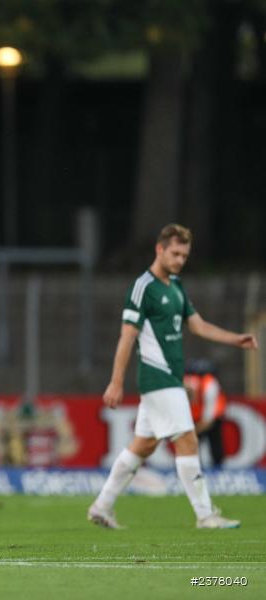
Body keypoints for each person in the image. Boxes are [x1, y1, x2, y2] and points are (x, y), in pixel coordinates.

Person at [88, 224, 257, 529]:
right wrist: (116, 381)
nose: (180, 260)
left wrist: (236, 339)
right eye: (175, 253)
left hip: (171, 379)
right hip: (159, 378)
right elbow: (127, 336)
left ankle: (101, 506)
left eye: (184, 255)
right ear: (160, 249)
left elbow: (199, 326)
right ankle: (205, 515)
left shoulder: (176, 286)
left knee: (143, 446)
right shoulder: (144, 287)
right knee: (188, 440)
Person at [184, 359, 227, 468]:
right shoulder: (184, 383)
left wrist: (196, 430)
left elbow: (208, 418)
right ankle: (193, 468)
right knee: (190, 445)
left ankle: (217, 468)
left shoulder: (209, 385)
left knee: (214, 442)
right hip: (195, 417)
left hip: (211, 416)